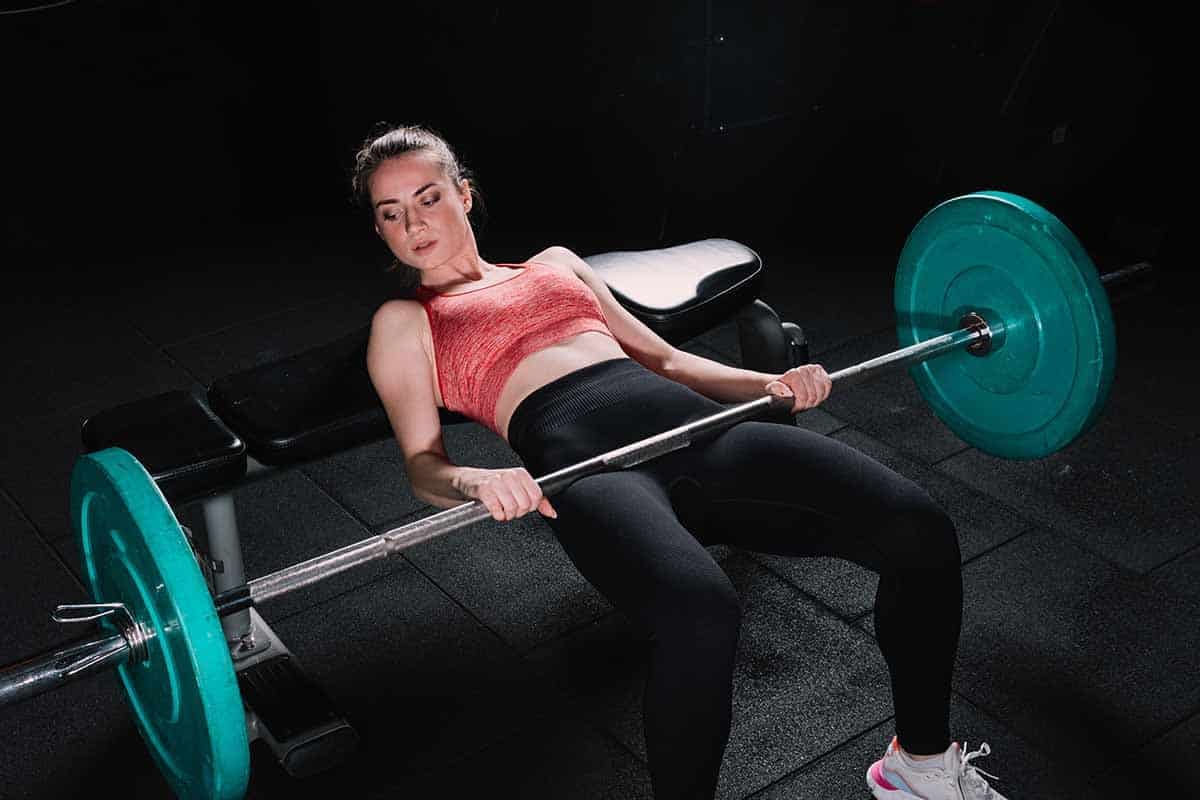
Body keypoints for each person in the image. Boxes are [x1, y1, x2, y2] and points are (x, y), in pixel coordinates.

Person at [356, 124, 1007, 800]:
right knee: (699, 613)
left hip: (701, 428)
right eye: (391, 213)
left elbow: (664, 360)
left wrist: (770, 386)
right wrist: (475, 478)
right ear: (382, 232)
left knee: (918, 525)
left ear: (464, 194)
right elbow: (422, 465)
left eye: (427, 197)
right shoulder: (404, 321)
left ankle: (920, 763)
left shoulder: (555, 263)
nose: (413, 222)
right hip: (589, 471)